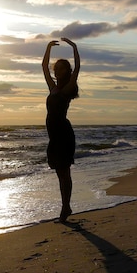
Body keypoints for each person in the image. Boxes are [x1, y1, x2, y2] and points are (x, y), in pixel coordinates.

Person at [42, 37, 80, 223]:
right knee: (60, 173)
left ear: (67, 71)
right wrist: (48, 48)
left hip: (63, 134)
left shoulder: (67, 88)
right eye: (56, 68)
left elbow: (78, 69)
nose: (57, 70)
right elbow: (43, 68)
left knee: (65, 173)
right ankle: (66, 206)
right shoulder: (53, 87)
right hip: (54, 135)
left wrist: (74, 47)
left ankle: (65, 208)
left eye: (62, 68)